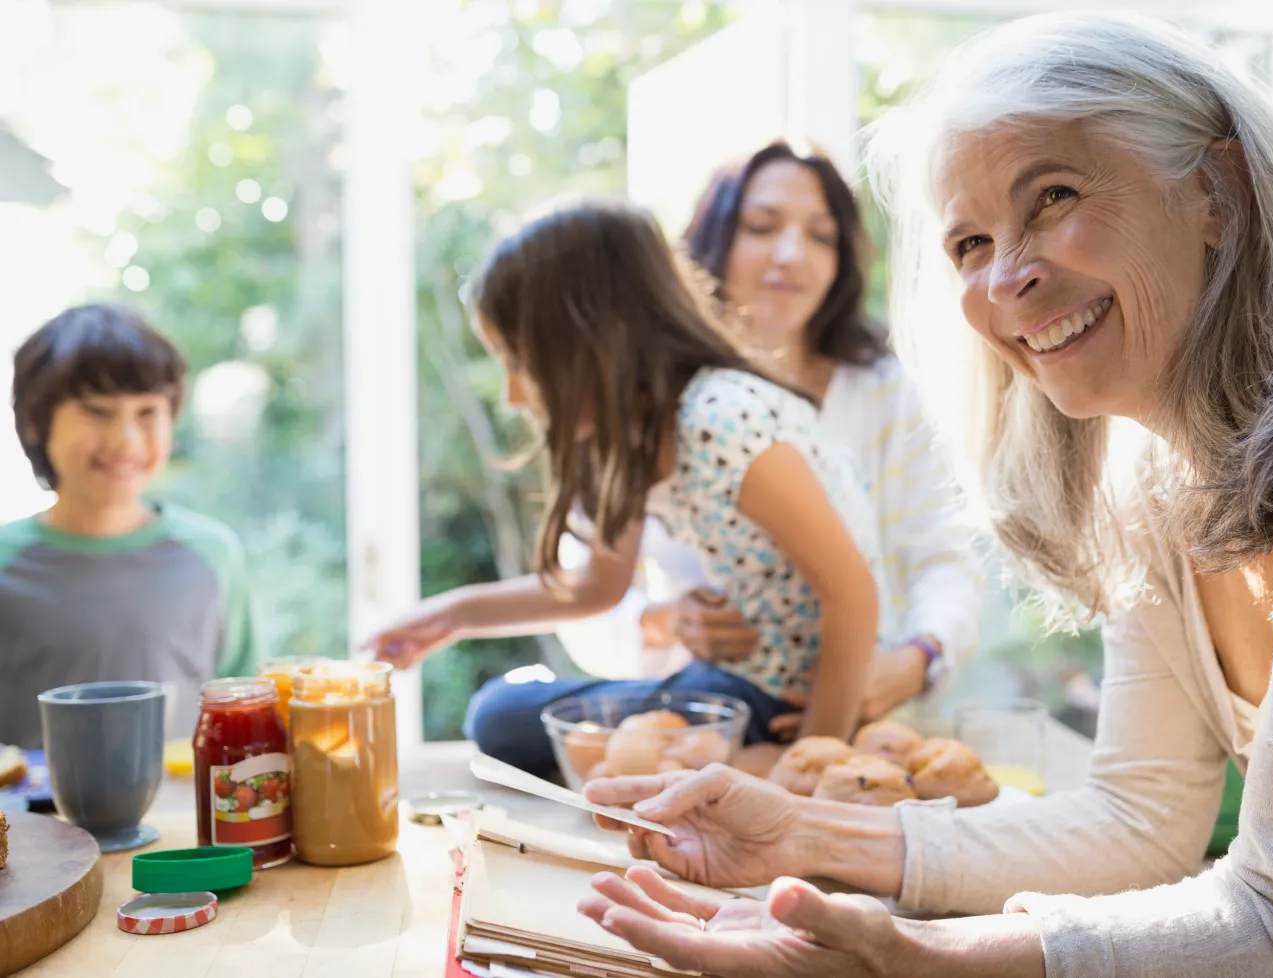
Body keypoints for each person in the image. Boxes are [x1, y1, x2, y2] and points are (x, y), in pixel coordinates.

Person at [574, 13, 1273, 977]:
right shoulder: (1155, 467)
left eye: (1053, 196)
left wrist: (913, 955)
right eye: (970, 242)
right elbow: (1140, 819)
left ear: (1218, 192)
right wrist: (807, 839)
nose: (1008, 276)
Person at [368, 200, 897, 772]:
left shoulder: (722, 420)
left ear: (594, 342)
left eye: (519, 363)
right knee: (500, 714)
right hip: (729, 686)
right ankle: (732, 759)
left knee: (501, 716)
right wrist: (450, 615)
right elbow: (597, 587)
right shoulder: (636, 440)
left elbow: (853, 594)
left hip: (785, 698)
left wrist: (813, 759)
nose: (513, 396)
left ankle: (759, 760)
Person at [550, 139, 980, 735]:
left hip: (862, 721)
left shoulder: (885, 391)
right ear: (710, 240)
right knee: (514, 716)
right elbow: (587, 594)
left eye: (821, 236)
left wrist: (916, 662)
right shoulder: (654, 399)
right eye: (761, 226)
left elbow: (941, 557)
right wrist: (664, 621)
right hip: (703, 712)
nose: (791, 255)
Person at [0, 304, 261, 749]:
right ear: (34, 423)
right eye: (96, 411)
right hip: (27, 819)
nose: (126, 441)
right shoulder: (7, 562)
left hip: (181, 817)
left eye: (148, 412)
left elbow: (246, 718)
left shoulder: (213, 555)